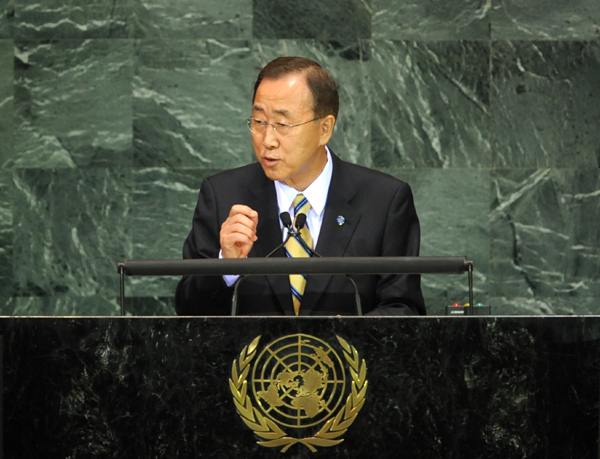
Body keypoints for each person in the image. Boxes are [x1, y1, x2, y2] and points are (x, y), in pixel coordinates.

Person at [176, 56, 425, 316]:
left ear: (324, 129)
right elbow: (186, 313)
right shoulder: (223, 196)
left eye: (282, 125)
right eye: (259, 122)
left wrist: (348, 337)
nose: (267, 140)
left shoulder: (384, 201)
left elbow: (404, 308)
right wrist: (225, 266)